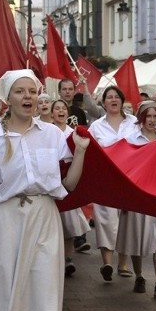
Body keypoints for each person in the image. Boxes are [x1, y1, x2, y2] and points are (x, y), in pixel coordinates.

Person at [0, 69, 89, 311]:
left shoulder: (52, 135)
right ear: (7, 98)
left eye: (31, 91)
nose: (27, 96)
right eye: (20, 91)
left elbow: (67, 184)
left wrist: (80, 152)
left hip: (45, 219)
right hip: (6, 222)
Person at [117, 101, 156, 298]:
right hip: (137, 194)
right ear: (142, 119)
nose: (153, 120)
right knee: (137, 237)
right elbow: (124, 167)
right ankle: (139, 275)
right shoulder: (131, 139)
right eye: (149, 117)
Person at [88, 86, 139, 281]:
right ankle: (107, 263)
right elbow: (91, 151)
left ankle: (123, 263)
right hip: (106, 179)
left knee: (126, 220)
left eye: (116, 96)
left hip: (130, 177)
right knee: (106, 220)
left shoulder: (134, 123)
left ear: (122, 100)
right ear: (103, 102)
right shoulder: (97, 126)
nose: (113, 100)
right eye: (109, 97)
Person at [51, 98, 91, 277]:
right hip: (52, 181)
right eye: (57, 108)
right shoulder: (48, 132)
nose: (60, 111)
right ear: (52, 113)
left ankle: (67, 259)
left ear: (67, 113)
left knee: (68, 225)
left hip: (68, 180)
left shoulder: (73, 132)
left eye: (63, 108)